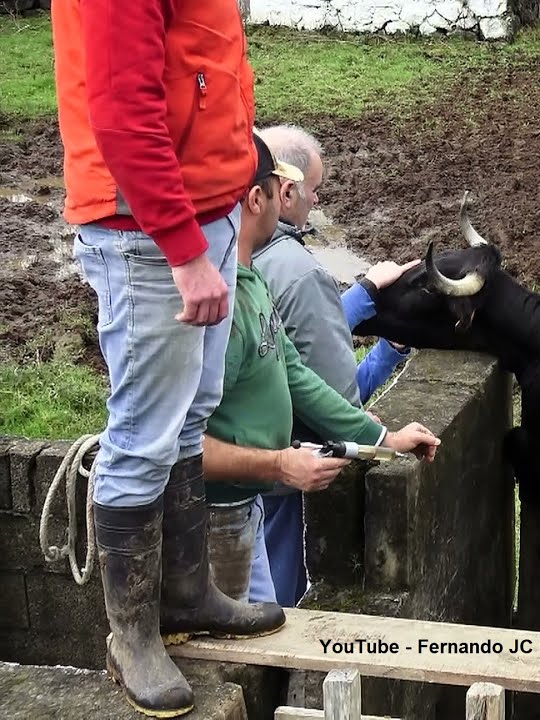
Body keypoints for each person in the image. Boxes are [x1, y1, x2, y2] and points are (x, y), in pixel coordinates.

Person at [52, 0, 276, 714]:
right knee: (144, 437)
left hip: (201, 210)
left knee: (188, 417)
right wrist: (184, 249)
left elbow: (202, 65)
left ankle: (184, 595)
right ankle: (132, 637)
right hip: (146, 232)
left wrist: (228, 188)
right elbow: (122, 110)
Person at [199, 133, 441, 604]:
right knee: (238, 655)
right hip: (213, 527)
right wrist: (280, 465)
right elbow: (178, 447)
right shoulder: (216, 309)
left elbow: (296, 373)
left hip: (245, 512)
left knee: (267, 634)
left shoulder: (249, 283)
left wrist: (383, 441)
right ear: (260, 198)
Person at [249, 123, 419, 607]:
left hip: (217, 485)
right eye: (315, 192)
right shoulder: (301, 273)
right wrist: (374, 428)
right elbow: (328, 398)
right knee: (278, 608)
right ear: (285, 191)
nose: (316, 204)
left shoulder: (223, 262)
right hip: (280, 492)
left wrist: (362, 297)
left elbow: (283, 352)